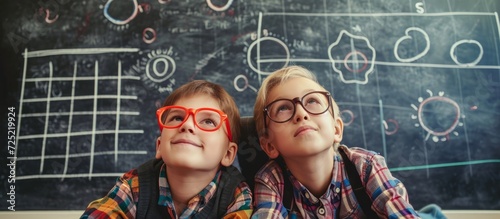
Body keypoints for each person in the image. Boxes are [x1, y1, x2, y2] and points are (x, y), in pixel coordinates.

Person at [251, 65, 421, 218]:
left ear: (336, 130)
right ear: (269, 145)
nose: (301, 113)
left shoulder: (365, 166)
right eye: (282, 108)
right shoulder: (270, 180)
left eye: (312, 101)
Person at [81, 80, 253, 219]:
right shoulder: (135, 186)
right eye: (177, 117)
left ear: (228, 153)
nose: (186, 125)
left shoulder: (236, 195)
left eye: (208, 121)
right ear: (159, 147)